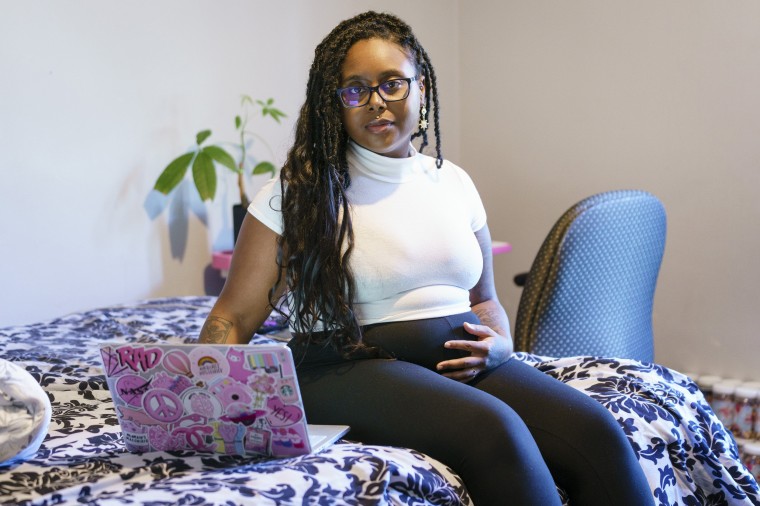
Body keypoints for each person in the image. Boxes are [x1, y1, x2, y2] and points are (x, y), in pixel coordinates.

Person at [199, 11, 654, 506]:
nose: (376, 102)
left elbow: (485, 301)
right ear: (335, 104)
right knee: (495, 429)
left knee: (594, 429)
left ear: (420, 88)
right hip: (346, 366)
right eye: (355, 89)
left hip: (463, 364)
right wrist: (207, 403)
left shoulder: (453, 182)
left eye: (393, 84)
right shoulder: (298, 192)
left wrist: (501, 346)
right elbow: (234, 315)